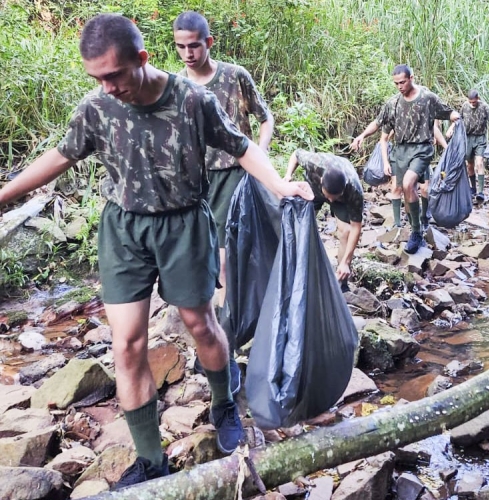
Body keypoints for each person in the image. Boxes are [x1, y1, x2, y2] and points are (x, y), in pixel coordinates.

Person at [0, 14, 312, 489]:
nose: (107, 88)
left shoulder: (192, 100)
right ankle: (152, 460)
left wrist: (280, 184)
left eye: (114, 75)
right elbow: (59, 157)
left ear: (141, 60)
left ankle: (224, 401)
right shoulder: (96, 108)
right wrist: (3, 195)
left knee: (200, 324)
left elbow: (242, 145)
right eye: (97, 78)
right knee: (127, 345)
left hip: (183, 224)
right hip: (123, 229)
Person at [173, 11, 274, 311]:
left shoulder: (234, 76)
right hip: (199, 180)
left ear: (209, 43)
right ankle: (224, 312)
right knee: (208, 253)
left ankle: (228, 319)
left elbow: (265, 119)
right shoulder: (177, 85)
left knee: (226, 254)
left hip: (236, 172)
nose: (188, 54)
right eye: (180, 46)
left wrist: (260, 152)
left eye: (194, 46)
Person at [351, 65, 459, 253]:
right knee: (405, 194)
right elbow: (377, 123)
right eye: (396, 83)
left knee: (410, 185)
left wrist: (455, 117)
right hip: (401, 152)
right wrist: (361, 136)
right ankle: (415, 228)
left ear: (411, 78)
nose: (400, 86)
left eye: (402, 82)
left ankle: (417, 232)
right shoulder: (393, 104)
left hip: (421, 149)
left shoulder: (427, 98)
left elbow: (447, 112)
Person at [283, 149, 364, 291]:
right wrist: (288, 176)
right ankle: (295, 271)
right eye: (329, 196)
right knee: (301, 226)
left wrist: (346, 261)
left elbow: (356, 228)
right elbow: (295, 154)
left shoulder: (354, 189)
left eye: (334, 196)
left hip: (343, 199)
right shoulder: (314, 163)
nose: (330, 200)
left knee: (345, 232)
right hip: (313, 190)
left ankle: (342, 282)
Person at [445, 90, 489, 203]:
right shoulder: (465, 106)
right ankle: (473, 188)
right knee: (470, 164)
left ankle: (481, 192)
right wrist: (450, 129)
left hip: (480, 138)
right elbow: (457, 120)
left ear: (478, 99)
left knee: (479, 162)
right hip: (467, 138)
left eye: (474, 102)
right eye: (470, 102)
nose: (472, 104)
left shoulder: (484, 107)